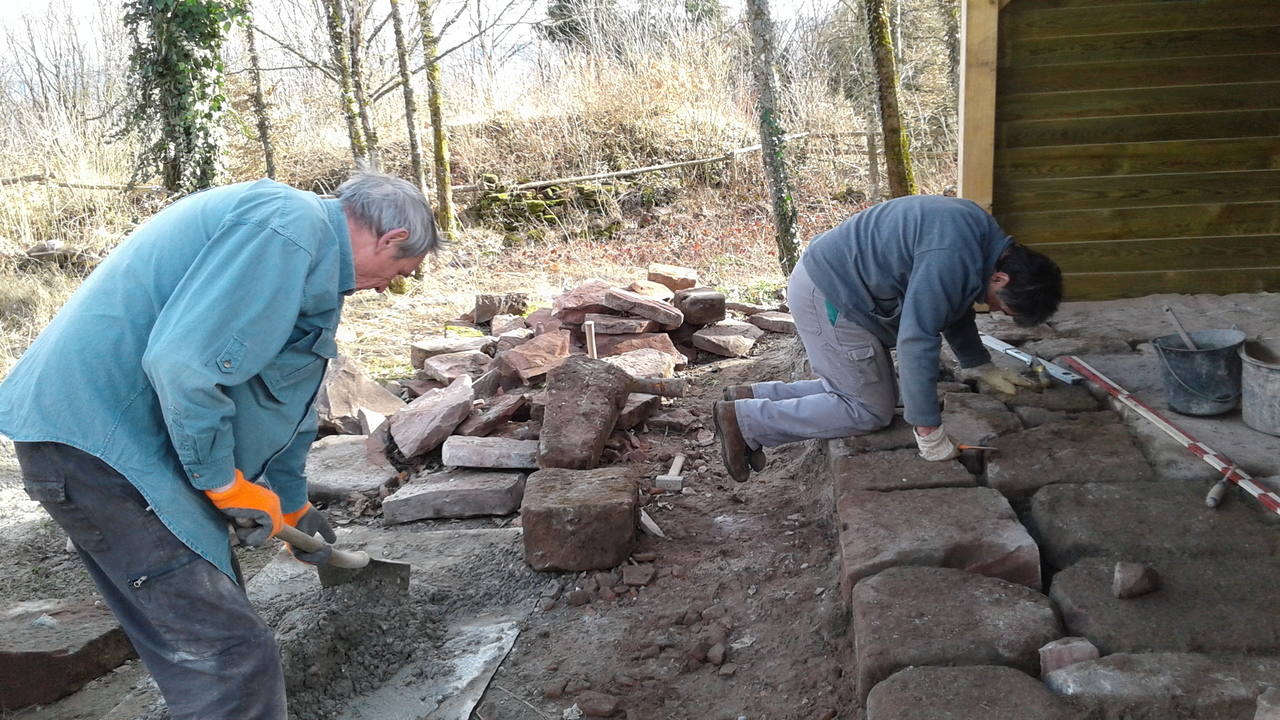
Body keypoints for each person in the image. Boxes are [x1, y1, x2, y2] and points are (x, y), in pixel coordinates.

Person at [0, 170, 439, 719]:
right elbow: (182, 366)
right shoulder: (287, 227)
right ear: (391, 239)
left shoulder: (308, 259)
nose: (386, 287)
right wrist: (223, 484)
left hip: (121, 442)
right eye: (401, 272)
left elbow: (281, 395)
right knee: (228, 655)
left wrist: (289, 501)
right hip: (106, 443)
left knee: (215, 634)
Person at [713, 194, 1063, 482]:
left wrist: (978, 363)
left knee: (875, 392)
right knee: (869, 409)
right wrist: (928, 431)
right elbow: (916, 338)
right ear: (1001, 279)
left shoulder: (980, 239)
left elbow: (951, 303)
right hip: (831, 295)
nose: (996, 310)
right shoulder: (953, 256)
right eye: (1003, 306)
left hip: (833, 281)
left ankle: (753, 396)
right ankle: (747, 422)